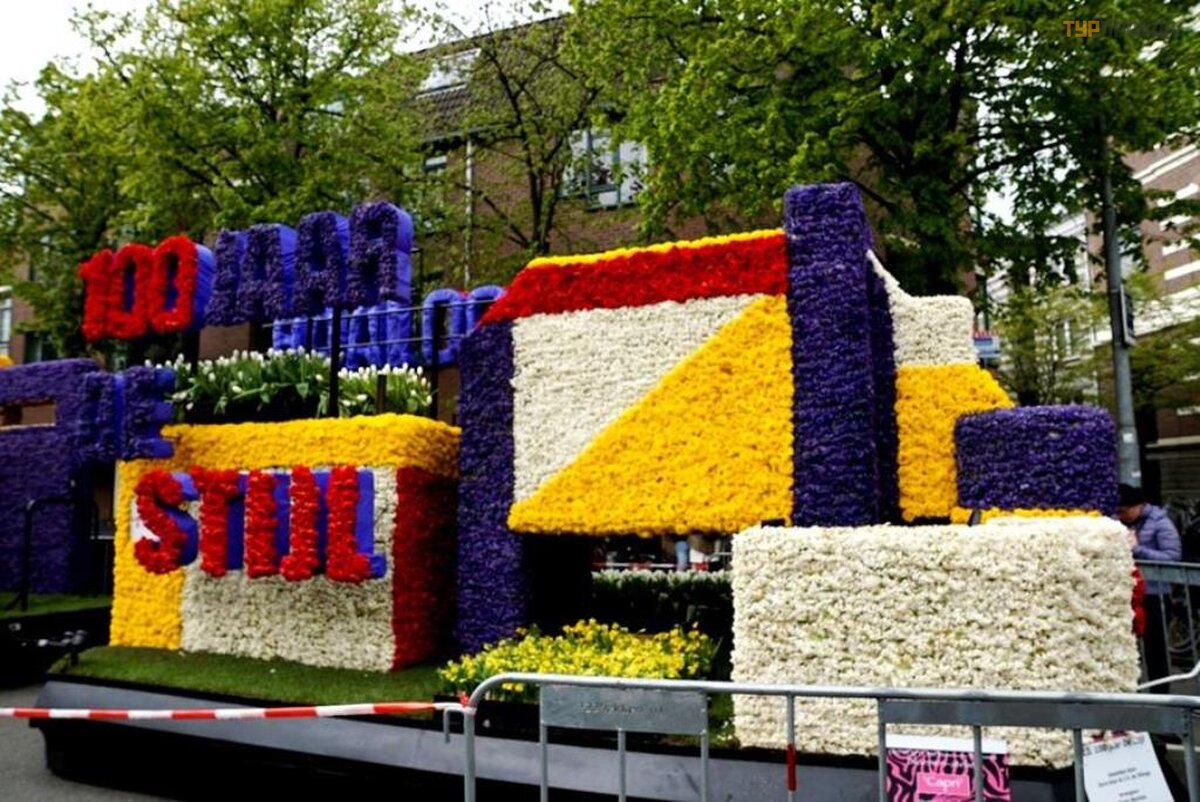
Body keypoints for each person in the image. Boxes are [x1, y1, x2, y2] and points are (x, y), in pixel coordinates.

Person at [1118, 483, 1182, 691]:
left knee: (1155, 649)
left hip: (1155, 595)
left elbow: (1172, 557)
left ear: (1137, 506)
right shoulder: (1120, 523)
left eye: (1124, 511)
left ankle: (1161, 694)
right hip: (1127, 592)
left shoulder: (1160, 523)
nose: (1121, 516)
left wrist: (1137, 549)